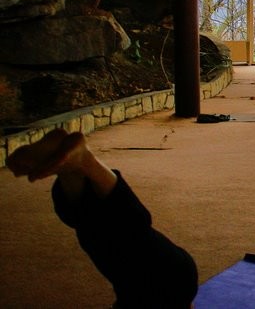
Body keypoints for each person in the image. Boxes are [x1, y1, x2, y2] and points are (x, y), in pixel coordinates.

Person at [6, 128, 198, 308]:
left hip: (158, 279)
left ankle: (70, 169)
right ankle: (87, 163)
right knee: (128, 236)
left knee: (97, 232)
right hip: (169, 283)